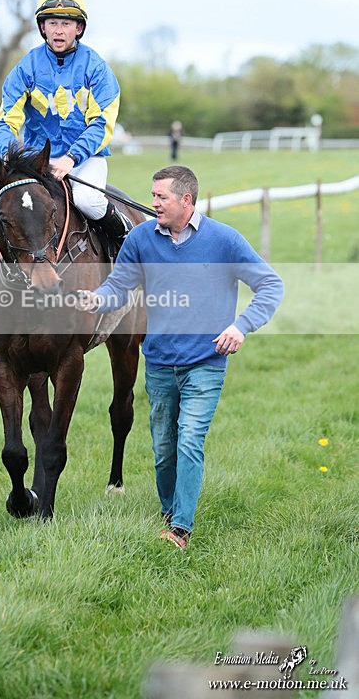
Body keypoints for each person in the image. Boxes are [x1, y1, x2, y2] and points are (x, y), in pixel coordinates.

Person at [78, 165, 283, 550]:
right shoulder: (140, 239)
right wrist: (96, 299)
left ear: (186, 200)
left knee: (190, 440)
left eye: (162, 197)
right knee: (163, 449)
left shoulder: (224, 240)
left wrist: (241, 326)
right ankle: (171, 510)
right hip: (157, 364)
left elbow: (270, 283)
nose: (154, 203)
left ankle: (180, 528)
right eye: (153, 196)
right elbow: (118, 286)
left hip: (206, 362)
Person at [0, 0, 130, 275]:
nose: (59, 30)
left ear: (79, 28)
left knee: (89, 200)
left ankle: (126, 244)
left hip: (83, 159)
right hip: (36, 160)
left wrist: (71, 158)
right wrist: (11, 156)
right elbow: (6, 121)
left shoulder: (97, 69)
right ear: (43, 27)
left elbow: (102, 124)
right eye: (53, 23)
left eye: (67, 23)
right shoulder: (26, 68)